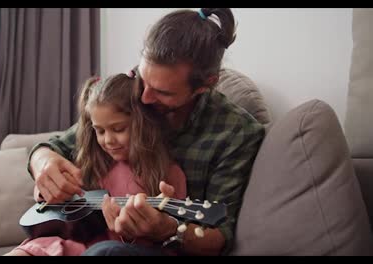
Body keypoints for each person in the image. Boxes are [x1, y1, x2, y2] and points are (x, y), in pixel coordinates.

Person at [28, 8, 265, 256]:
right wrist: (44, 163)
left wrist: (167, 230)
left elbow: (221, 237)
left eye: (163, 92)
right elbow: (57, 146)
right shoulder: (129, 89)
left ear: (206, 85)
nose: (143, 97)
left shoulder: (236, 133)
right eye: (143, 80)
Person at [5, 72, 187, 256]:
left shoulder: (168, 175)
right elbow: (53, 196)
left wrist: (130, 231)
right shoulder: (92, 162)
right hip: (71, 242)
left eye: (118, 129)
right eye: (99, 131)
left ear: (144, 125)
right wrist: (49, 189)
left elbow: (167, 243)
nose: (108, 140)